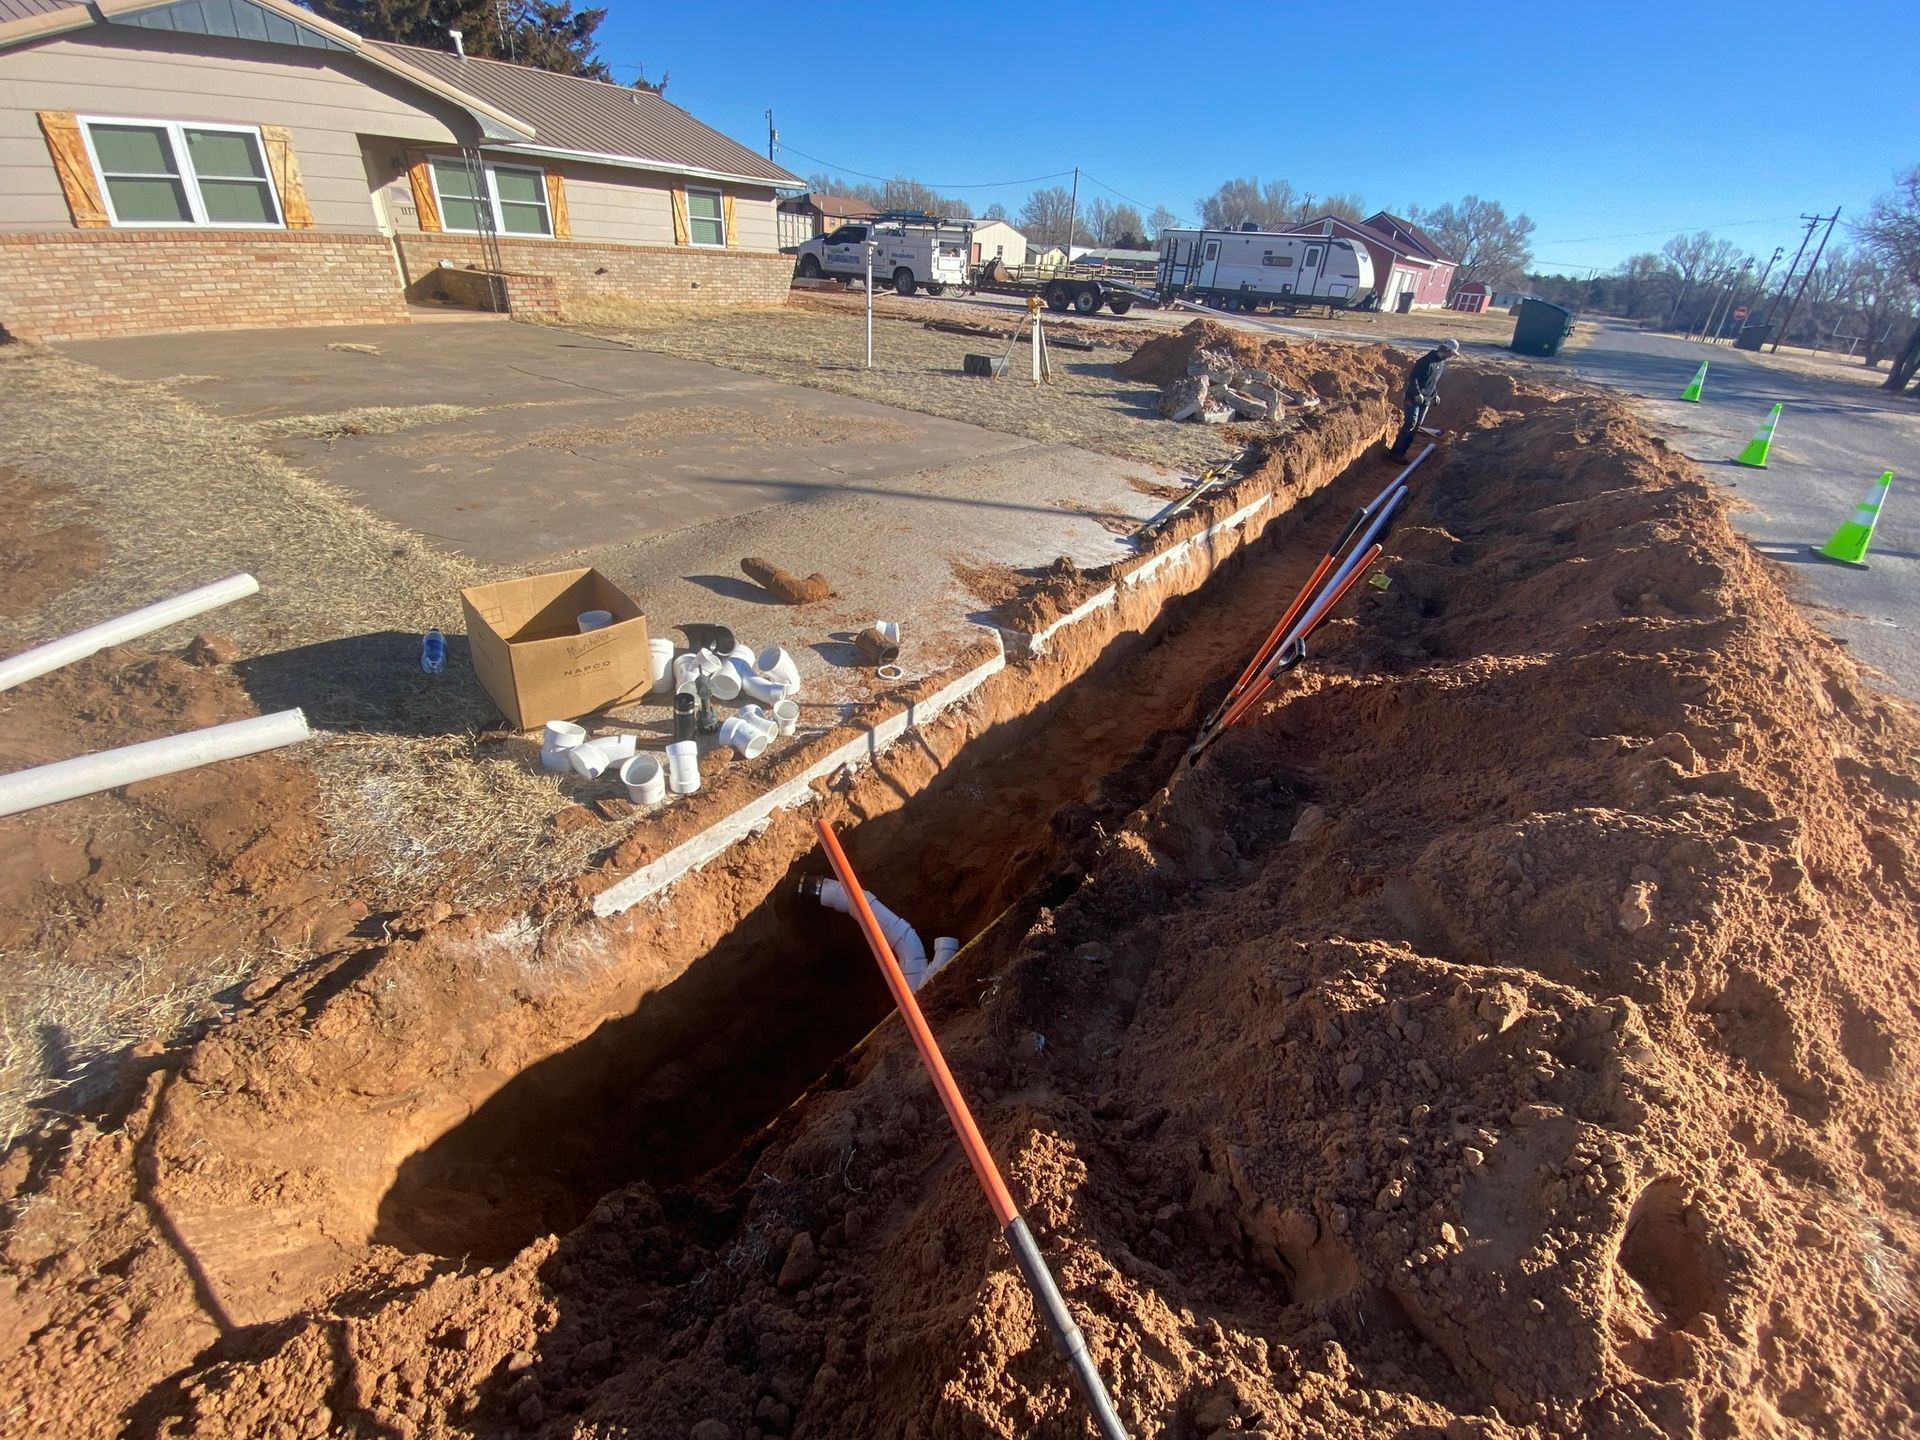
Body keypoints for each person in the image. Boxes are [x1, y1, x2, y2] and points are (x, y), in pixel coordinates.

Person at [1389, 338, 1459, 459]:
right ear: (1446, 350)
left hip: (1426, 399)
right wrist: (1417, 393)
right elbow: (1413, 378)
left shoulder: (1440, 363)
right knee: (1410, 423)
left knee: (1416, 426)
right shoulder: (1425, 361)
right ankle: (1395, 453)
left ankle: (1402, 453)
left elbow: (1432, 382)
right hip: (1413, 397)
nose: (1451, 356)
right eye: (1451, 353)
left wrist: (1435, 395)